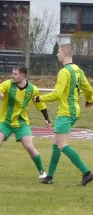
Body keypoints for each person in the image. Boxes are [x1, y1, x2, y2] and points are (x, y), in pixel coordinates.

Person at [35, 44, 93, 186]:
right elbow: (88, 88)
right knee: (56, 143)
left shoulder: (64, 72)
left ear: (66, 53)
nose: (57, 54)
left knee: (61, 144)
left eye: (59, 52)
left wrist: (39, 98)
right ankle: (50, 176)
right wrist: (89, 101)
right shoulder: (78, 70)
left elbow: (57, 94)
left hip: (65, 112)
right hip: (74, 111)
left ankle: (87, 173)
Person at [0, 66, 50, 179]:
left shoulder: (32, 89)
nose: (12, 76)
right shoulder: (8, 84)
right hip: (5, 122)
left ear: (23, 75)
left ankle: (42, 172)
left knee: (29, 146)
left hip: (21, 123)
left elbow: (40, 104)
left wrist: (47, 118)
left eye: (15, 74)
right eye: (12, 73)